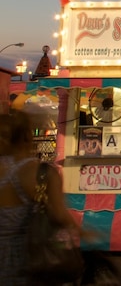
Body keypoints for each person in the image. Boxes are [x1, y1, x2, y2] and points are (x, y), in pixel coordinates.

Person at [0, 111, 81, 285]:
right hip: (26, 254)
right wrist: (83, 232)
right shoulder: (41, 172)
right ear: (28, 136)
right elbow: (59, 215)